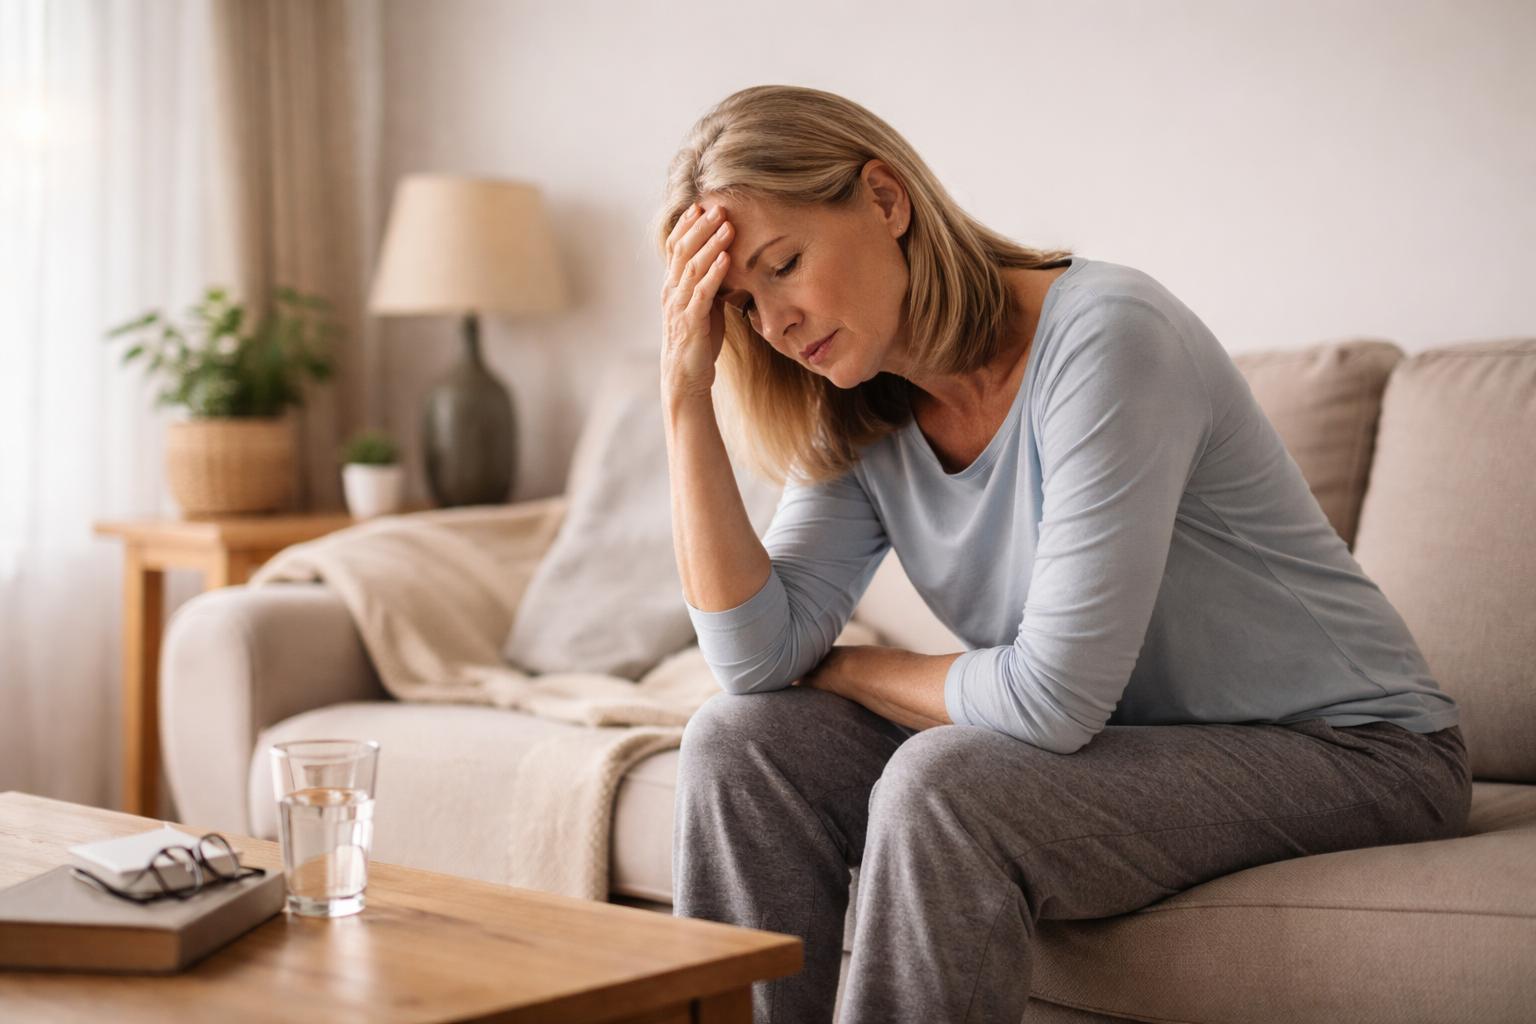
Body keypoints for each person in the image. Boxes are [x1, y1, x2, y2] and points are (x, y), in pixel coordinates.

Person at [657, 85, 1467, 1024]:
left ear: (885, 199)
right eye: (744, 306)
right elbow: (754, 663)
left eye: (784, 265)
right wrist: (683, 396)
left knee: (945, 785)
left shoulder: (1107, 336)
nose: (778, 325)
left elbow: (1050, 701)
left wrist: (851, 668)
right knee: (738, 740)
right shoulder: (863, 402)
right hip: (1126, 748)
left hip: (1357, 753)